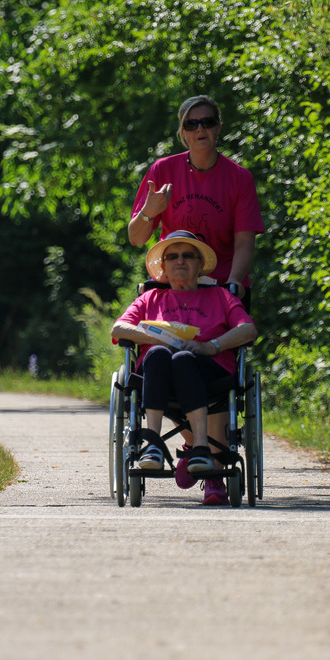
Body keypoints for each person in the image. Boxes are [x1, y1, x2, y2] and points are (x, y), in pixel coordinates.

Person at [111, 231, 257, 506]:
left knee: (182, 359)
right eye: (173, 256)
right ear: (163, 267)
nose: (180, 261)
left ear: (200, 265)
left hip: (208, 370)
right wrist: (155, 337)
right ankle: (152, 444)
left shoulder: (220, 296)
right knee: (157, 353)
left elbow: (248, 329)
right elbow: (119, 328)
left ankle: (201, 447)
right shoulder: (150, 298)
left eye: (188, 255)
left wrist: (211, 346)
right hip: (156, 373)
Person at [128, 94, 264, 308]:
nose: (200, 129)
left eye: (207, 122)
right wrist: (149, 212)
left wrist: (234, 281)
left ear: (218, 128)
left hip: (223, 290)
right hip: (173, 285)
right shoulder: (163, 170)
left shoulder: (239, 178)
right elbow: (136, 238)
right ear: (183, 132)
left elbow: (245, 243)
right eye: (191, 124)